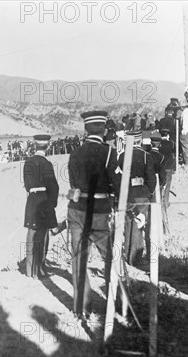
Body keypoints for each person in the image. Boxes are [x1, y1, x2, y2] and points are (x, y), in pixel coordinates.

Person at [67, 110, 119, 320]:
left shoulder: (75, 153)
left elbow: (72, 183)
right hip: (99, 210)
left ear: (86, 129)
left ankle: (82, 307)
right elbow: (116, 183)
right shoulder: (108, 152)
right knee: (109, 257)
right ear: (104, 129)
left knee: (78, 257)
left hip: (77, 209)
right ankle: (116, 302)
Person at [22, 135, 59, 279]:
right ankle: (40, 270)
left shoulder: (28, 162)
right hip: (44, 200)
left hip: (31, 200)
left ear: (35, 146)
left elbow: (26, 185)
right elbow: (53, 186)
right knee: (42, 235)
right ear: (48, 146)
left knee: (31, 234)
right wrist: (52, 204)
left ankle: (29, 271)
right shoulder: (47, 164)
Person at [119, 130, 156, 266]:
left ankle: (128, 254)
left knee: (129, 223)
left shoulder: (122, 156)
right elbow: (151, 179)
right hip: (141, 194)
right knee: (139, 224)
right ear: (139, 141)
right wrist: (150, 193)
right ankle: (135, 258)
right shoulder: (146, 156)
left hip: (127, 194)